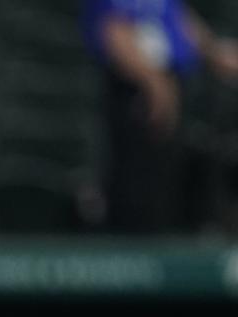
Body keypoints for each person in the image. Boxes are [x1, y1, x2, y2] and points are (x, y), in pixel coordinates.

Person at [84, 0, 238, 233]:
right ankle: (136, 252)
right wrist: (153, 81)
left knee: (174, 176)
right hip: (136, 88)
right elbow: (113, 31)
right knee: (138, 183)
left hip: (176, 81)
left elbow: (178, 16)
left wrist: (213, 51)